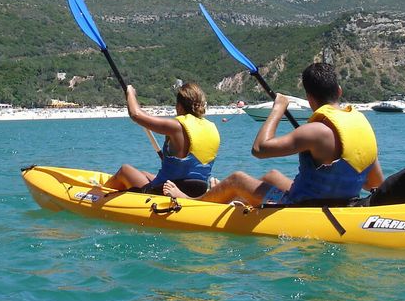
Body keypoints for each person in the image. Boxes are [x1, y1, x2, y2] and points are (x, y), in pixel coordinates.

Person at [164, 62, 383, 205]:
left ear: (309, 98)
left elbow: (259, 149)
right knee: (272, 176)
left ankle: (193, 201)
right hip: (345, 199)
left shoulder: (316, 131)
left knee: (237, 179)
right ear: (339, 91)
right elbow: (373, 183)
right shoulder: (361, 125)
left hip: (305, 205)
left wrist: (278, 108)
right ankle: (239, 204)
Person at [103, 82, 220, 197]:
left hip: (167, 190)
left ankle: (99, 194)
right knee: (144, 174)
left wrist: (130, 92)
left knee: (125, 170)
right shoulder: (212, 128)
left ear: (179, 106)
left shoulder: (177, 126)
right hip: (198, 190)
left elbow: (136, 114)